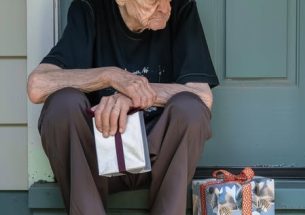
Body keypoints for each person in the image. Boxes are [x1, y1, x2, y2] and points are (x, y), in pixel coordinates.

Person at [27, 0, 219, 214]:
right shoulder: (90, 8)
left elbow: (203, 96)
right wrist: (109, 76)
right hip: (98, 157)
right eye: (154, 2)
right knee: (62, 105)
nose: (166, 9)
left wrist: (133, 94)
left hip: (158, 156)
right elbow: (37, 86)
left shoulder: (181, 8)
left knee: (191, 109)